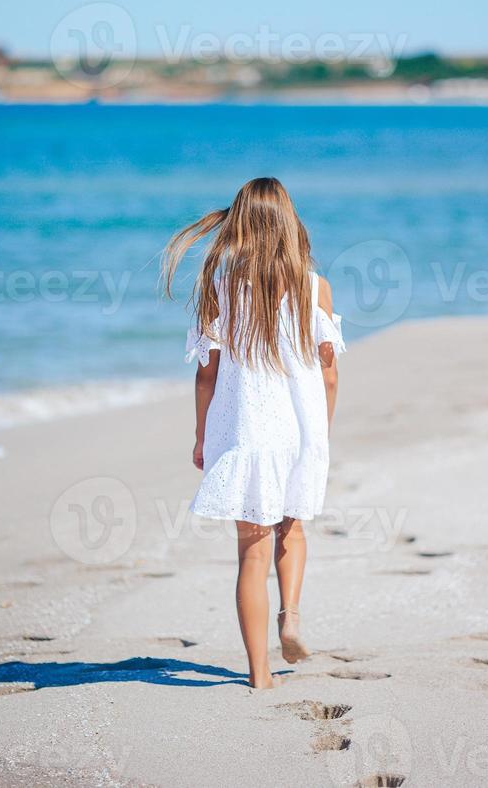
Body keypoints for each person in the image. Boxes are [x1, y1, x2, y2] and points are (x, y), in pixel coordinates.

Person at [163, 177, 345, 689]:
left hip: (246, 433)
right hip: (299, 432)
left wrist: (201, 436)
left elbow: (206, 374)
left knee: (251, 551)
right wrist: (321, 432)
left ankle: (260, 674)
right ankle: (292, 617)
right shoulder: (315, 288)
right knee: (293, 529)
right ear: (289, 224)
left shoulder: (220, 288)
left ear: (240, 225)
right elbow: (328, 372)